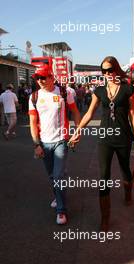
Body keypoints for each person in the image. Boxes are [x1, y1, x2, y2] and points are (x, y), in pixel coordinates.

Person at [69, 56, 134, 232]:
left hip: (124, 138)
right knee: (103, 178)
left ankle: (127, 193)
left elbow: (132, 115)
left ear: (116, 69)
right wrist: (78, 130)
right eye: (104, 71)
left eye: (110, 70)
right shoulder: (99, 91)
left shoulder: (128, 89)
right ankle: (105, 219)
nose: (107, 74)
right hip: (105, 139)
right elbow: (89, 113)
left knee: (125, 170)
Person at [28, 64, 80, 225]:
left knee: (57, 175)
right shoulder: (34, 97)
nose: (40, 81)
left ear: (51, 77)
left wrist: (78, 131)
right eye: (37, 78)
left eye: (43, 77)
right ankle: (58, 196)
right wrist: (36, 144)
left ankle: (61, 211)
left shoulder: (65, 92)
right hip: (44, 143)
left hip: (61, 141)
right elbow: (32, 122)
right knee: (53, 176)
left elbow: (76, 112)